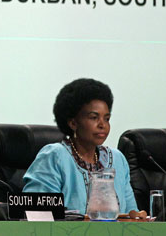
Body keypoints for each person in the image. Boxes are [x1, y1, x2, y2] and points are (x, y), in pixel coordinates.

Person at [23, 78, 138, 214]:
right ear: (73, 123)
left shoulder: (118, 159)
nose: (103, 125)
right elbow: (38, 214)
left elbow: (133, 215)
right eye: (94, 117)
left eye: (106, 119)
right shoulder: (54, 156)